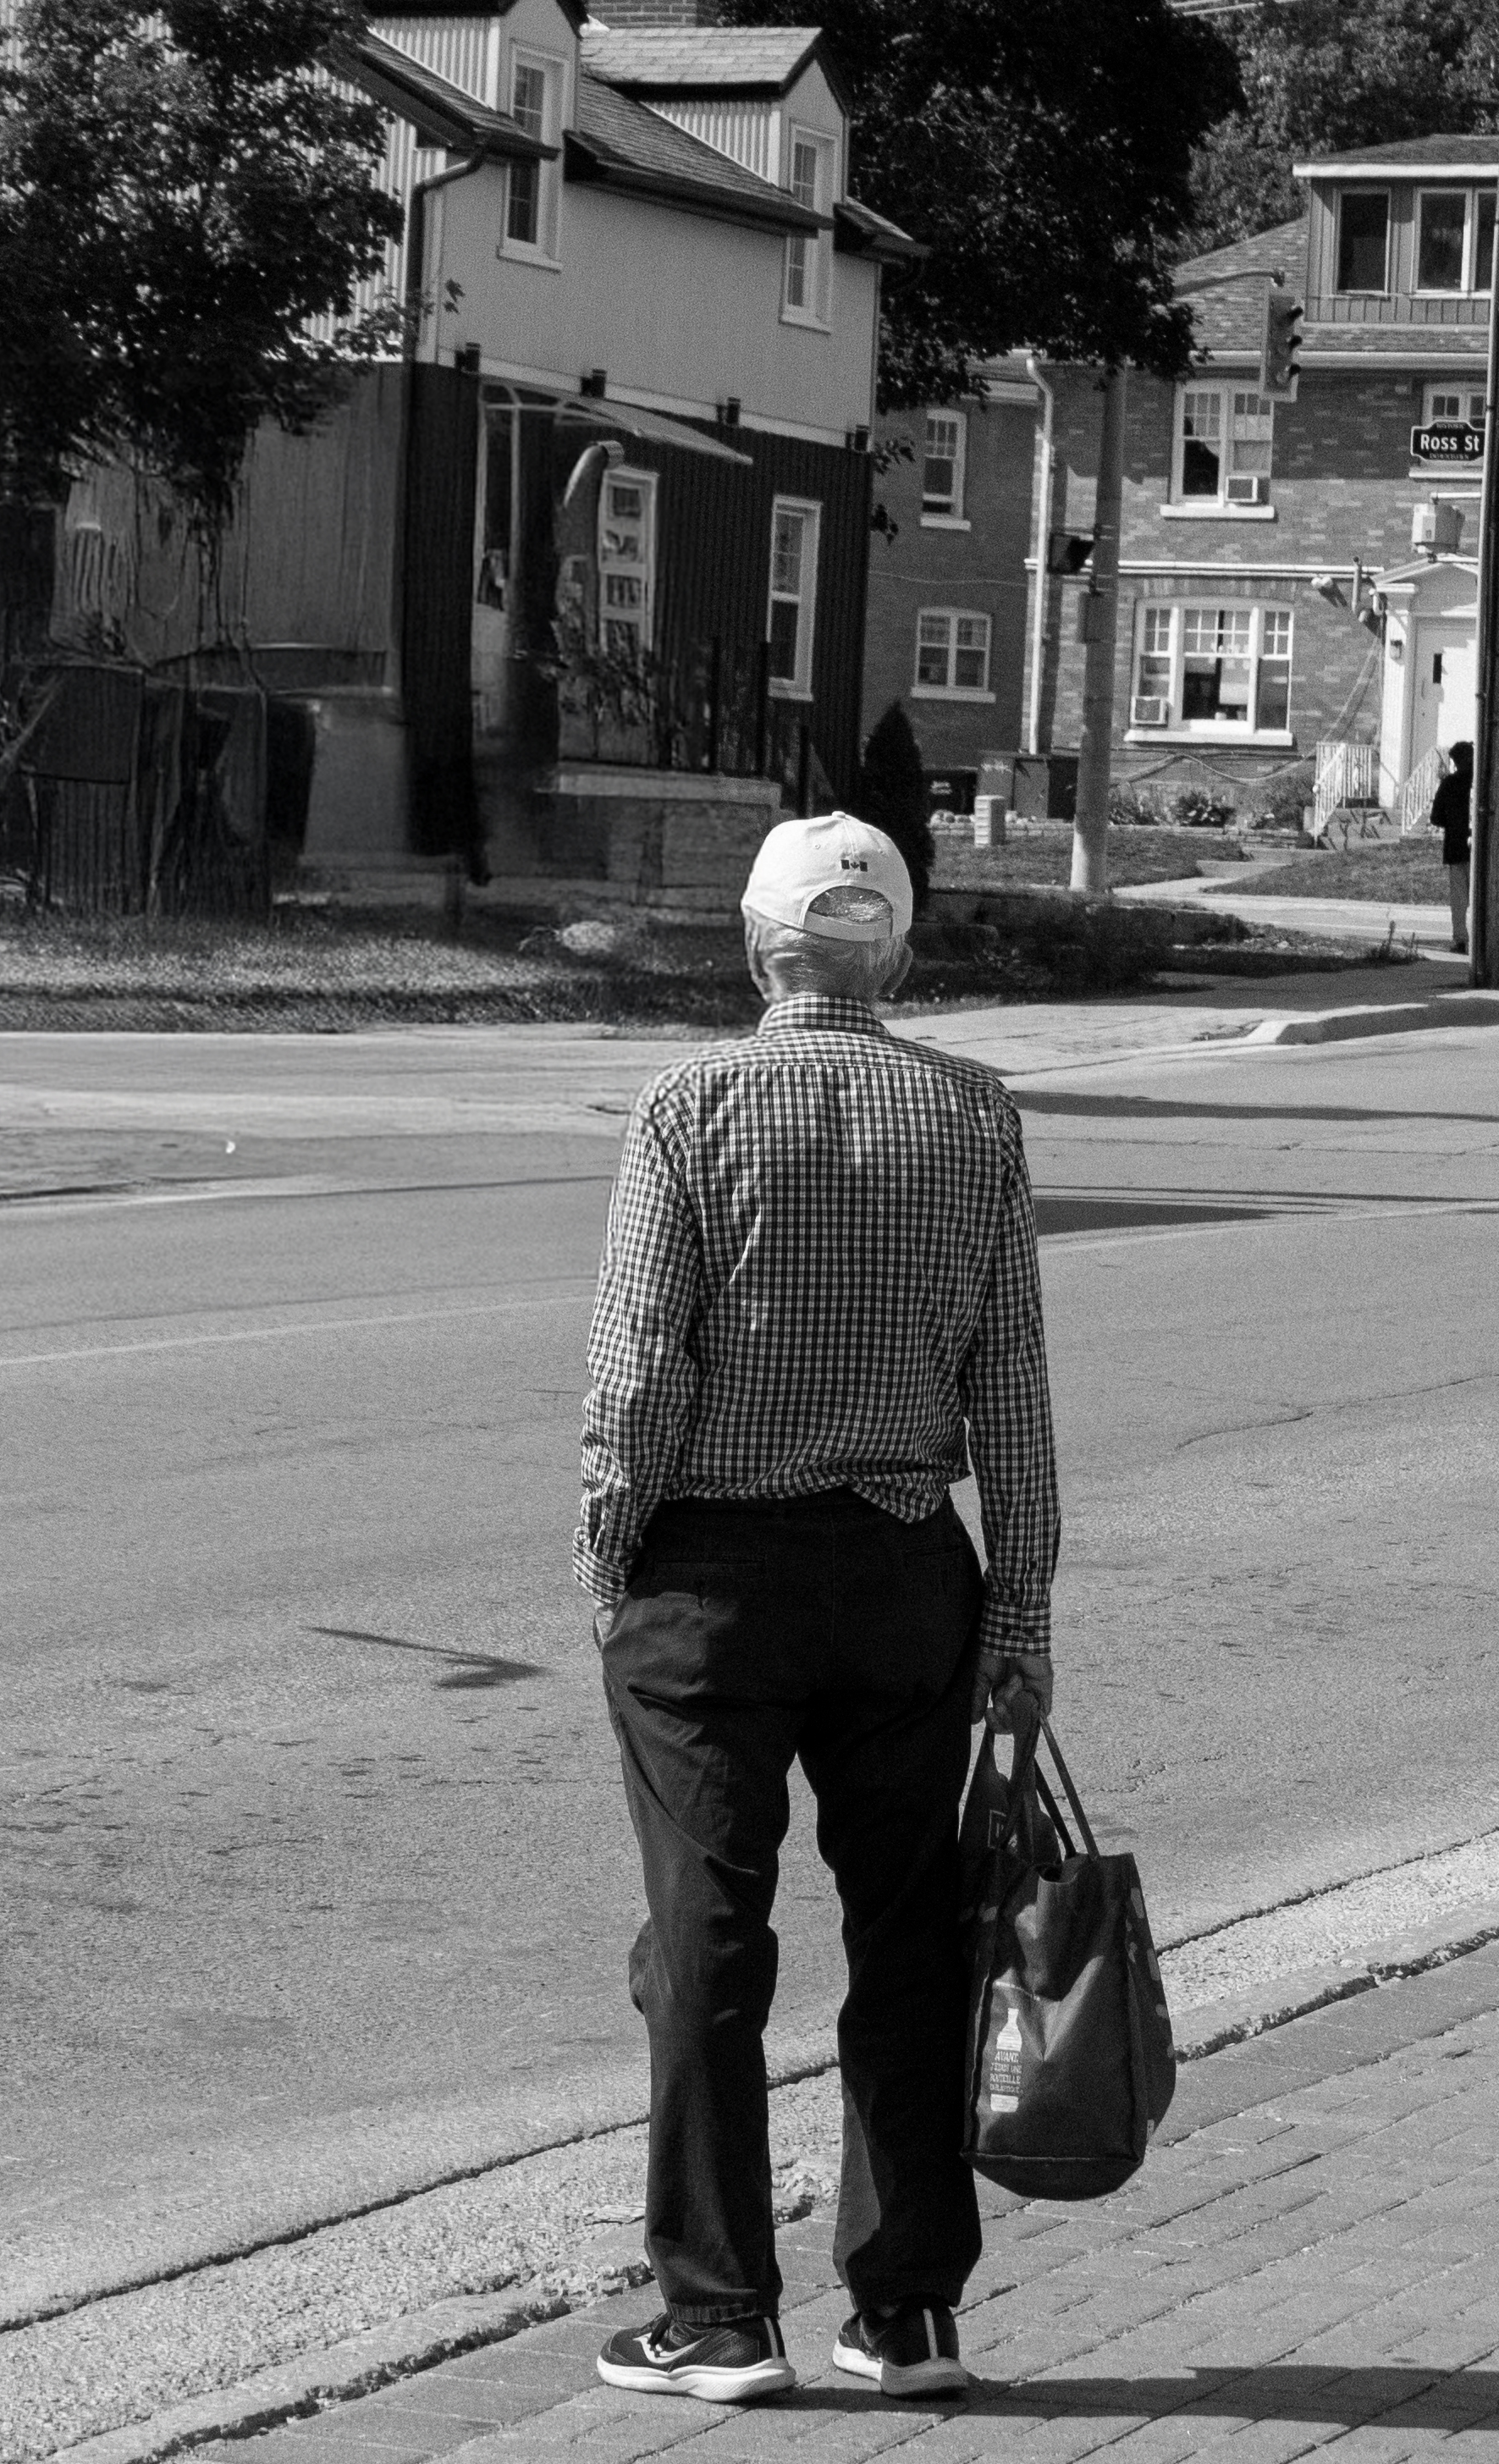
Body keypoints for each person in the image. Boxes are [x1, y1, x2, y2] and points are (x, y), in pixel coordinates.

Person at [580, 812, 1060, 2409]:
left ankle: (718, 2316)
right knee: (911, 1931)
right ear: (897, 951)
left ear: (755, 944)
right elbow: (1015, 1397)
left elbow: (642, 1370)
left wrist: (610, 1551)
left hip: (713, 1579)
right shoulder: (974, 1116)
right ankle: (906, 2309)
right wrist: (1020, 1618)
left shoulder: (687, 1105)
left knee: (708, 1933)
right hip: (908, 1574)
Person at [1426, 739, 1476, 953]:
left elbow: (1436, 817)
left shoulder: (1449, 784)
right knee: (1480, 895)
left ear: (1454, 761)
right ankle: (1483, 937)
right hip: (1479, 847)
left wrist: (1454, 822)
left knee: (1459, 898)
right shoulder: (1480, 783)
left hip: (1456, 846)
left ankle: (1461, 939)